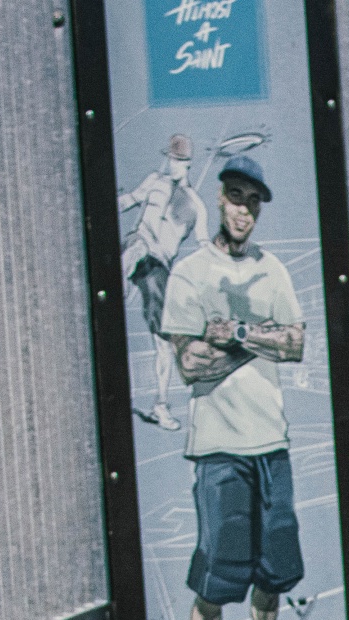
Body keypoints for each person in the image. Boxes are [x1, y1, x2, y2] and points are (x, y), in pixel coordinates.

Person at [160, 156, 307, 620]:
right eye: (236, 196)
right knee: (215, 584)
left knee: (273, 575)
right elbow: (190, 363)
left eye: (253, 200)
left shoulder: (273, 270)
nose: (243, 209)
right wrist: (261, 337)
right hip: (219, 449)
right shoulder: (191, 272)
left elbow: (295, 343)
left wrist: (238, 335)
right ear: (219, 199)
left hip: (270, 443)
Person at [120, 135, 207, 431]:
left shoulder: (195, 205)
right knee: (134, 248)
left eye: (178, 161)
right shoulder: (154, 181)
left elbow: (204, 245)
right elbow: (129, 200)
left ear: (188, 164)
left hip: (158, 267)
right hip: (138, 243)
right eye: (170, 159)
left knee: (164, 342)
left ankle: (161, 405)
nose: (172, 165)